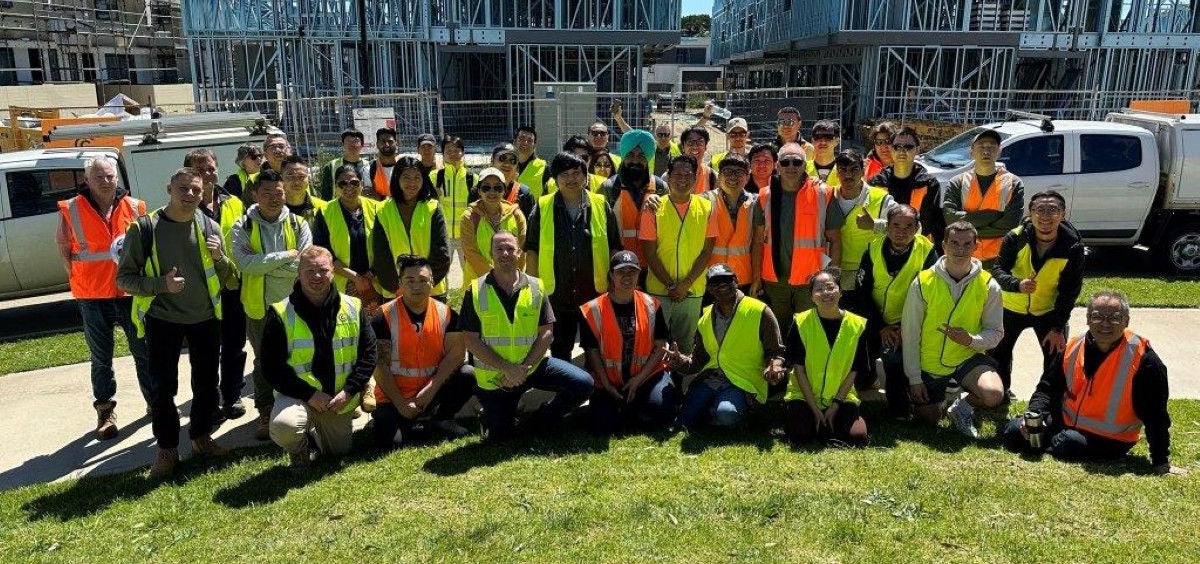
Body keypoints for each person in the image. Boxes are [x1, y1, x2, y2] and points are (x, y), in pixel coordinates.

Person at [117, 168, 234, 478]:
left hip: (205, 318)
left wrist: (221, 258)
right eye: (183, 188)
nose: (191, 194)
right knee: (163, 389)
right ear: (169, 188)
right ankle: (167, 450)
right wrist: (161, 286)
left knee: (207, 385)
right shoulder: (144, 228)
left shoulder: (209, 225)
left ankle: (200, 438)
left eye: (196, 189)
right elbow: (125, 279)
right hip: (163, 320)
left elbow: (229, 278)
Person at [1001, 291, 1187, 476]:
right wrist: (1034, 416)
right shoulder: (1072, 346)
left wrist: (1160, 461)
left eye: (1114, 318)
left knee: (1068, 444)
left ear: (1126, 321)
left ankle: (1043, 443)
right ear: (1088, 319)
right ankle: (1041, 440)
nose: (1105, 323)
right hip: (1065, 424)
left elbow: (1156, 414)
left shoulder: (1144, 359)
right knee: (1013, 432)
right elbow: (1046, 388)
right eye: (1097, 317)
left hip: (1111, 439)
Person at [460, 231, 594, 442]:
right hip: (496, 377)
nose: (505, 253)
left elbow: (547, 333)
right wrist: (507, 369)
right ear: (491, 254)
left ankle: (545, 417)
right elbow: (470, 340)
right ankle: (496, 416)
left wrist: (523, 369)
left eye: (510, 248)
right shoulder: (475, 291)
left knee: (583, 383)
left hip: (532, 366)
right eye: (499, 249)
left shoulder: (535, 286)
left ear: (519, 253)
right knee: (501, 438)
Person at [56, 156, 152, 440]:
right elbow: (65, 251)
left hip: (130, 293)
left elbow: (146, 248)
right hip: (92, 296)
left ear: (117, 178)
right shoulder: (70, 209)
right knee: (101, 359)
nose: (107, 181)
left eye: (110, 176)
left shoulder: (135, 207)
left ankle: (155, 404)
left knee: (144, 352)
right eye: (99, 177)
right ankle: (105, 412)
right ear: (86, 180)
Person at [262, 247, 377, 468]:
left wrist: (350, 390)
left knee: (338, 453)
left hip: (338, 400)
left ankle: (313, 433)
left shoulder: (353, 306)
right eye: (310, 271)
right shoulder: (280, 312)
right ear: (298, 273)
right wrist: (310, 394)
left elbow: (369, 354)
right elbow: (271, 368)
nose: (317, 276)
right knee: (286, 427)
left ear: (333, 272)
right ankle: (299, 448)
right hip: (299, 397)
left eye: (323, 270)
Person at [901, 221, 1005, 439]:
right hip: (930, 362)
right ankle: (946, 395)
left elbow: (995, 333)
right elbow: (910, 333)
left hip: (967, 358)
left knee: (993, 395)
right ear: (944, 245)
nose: (960, 249)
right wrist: (914, 378)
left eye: (967, 243)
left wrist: (971, 340)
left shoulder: (989, 285)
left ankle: (961, 406)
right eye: (954, 243)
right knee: (929, 419)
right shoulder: (922, 281)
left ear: (976, 245)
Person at [233, 169, 312, 441]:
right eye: (266, 192)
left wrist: (264, 263)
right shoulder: (242, 225)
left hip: (295, 306)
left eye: (278, 192)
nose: (273, 198)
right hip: (259, 307)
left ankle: (305, 404)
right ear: (255, 194)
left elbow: (303, 263)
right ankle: (265, 411)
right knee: (264, 361)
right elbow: (243, 264)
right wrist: (285, 257)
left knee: (301, 354)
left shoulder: (298, 224)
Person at [525, 152, 623, 360]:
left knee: (595, 347)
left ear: (585, 176)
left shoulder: (600, 204)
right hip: (557, 294)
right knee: (560, 348)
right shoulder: (543, 206)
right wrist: (533, 288)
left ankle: (597, 387)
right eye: (564, 174)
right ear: (556, 179)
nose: (571, 179)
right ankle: (567, 389)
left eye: (576, 173)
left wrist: (615, 282)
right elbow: (531, 248)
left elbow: (614, 244)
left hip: (594, 292)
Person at [369, 255, 473, 448]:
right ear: (400, 283)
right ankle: (409, 420)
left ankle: (442, 417)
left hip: (432, 391)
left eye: (423, 280)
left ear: (432, 282)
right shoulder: (382, 316)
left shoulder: (447, 314)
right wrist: (401, 404)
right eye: (410, 280)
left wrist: (428, 392)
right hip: (395, 397)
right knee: (391, 442)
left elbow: (456, 356)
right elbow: (379, 365)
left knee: (468, 374)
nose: (417, 286)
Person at [990, 190, 1085, 401]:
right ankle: (1001, 394)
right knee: (999, 354)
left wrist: (1058, 326)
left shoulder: (1072, 246)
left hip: (1048, 311)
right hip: (1010, 306)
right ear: (1030, 214)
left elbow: (1070, 290)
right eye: (1039, 210)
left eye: (1053, 210)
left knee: (1056, 358)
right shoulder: (1015, 237)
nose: (1045, 216)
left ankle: (1046, 399)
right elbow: (997, 272)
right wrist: (1017, 285)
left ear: (1062, 214)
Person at [667, 264, 787, 430]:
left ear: (736, 281)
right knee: (684, 420)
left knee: (726, 414)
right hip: (711, 379)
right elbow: (698, 360)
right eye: (715, 283)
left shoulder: (760, 311)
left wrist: (774, 366)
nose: (721, 286)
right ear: (709, 289)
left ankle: (743, 411)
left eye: (726, 280)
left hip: (743, 382)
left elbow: (776, 352)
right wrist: (679, 360)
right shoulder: (706, 317)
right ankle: (710, 410)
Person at [580, 250, 678, 434]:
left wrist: (638, 380)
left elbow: (659, 347)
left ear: (639, 275)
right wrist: (607, 385)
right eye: (621, 271)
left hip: (646, 376)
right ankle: (627, 408)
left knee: (663, 412)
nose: (627, 276)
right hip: (608, 380)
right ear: (611, 275)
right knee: (603, 425)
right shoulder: (592, 309)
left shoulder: (652, 305)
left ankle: (634, 405)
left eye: (632, 271)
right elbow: (591, 351)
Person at [853, 205, 937, 420]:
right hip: (874, 320)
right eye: (896, 225)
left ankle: (900, 410)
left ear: (917, 227)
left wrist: (904, 328)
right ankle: (867, 379)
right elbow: (862, 293)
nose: (902, 231)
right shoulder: (872, 249)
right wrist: (881, 326)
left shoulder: (927, 252)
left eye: (909, 226)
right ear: (886, 227)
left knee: (894, 360)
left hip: (907, 323)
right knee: (860, 372)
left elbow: (931, 297)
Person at [186, 148, 249, 420]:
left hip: (232, 285)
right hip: (201, 291)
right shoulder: (184, 206)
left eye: (211, 168)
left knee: (235, 346)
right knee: (204, 352)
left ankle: (233, 396)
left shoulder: (234, 202)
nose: (207, 174)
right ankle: (209, 402)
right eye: (200, 170)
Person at [784, 270, 871, 447]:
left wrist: (836, 404)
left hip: (840, 396)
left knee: (858, 436)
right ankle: (817, 422)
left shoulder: (857, 325)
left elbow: (855, 370)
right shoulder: (800, 322)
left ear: (840, 291)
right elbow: (798, 369)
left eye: (830, 287)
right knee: (802, 434)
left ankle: (831, 423)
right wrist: (815, 409)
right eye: (819, 289)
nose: (826, 293)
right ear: (812, 297)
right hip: (804, 395)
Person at [758, 142, 843, 324]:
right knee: (779, 327)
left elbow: (835, 240)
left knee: (808, 328)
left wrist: (832, 278)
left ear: (805, 165)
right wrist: (757, 277)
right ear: (777, 166)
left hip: (811, 281)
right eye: (785, 162)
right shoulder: (765, 195)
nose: (791, 167)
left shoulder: (823, 193)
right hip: (775, 280)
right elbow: (758, 241)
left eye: (797, 162)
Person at [640, 155, 716, 354]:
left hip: (692, 290)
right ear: (668, 177)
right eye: (677, 174)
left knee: (685, 346)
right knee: (655, 344)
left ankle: (680, 383)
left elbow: (707, 250)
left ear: (695, 176)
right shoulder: (653, 208)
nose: (682, 179)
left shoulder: (707, 207)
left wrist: (685, 284)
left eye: (688, 174)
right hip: (659, 288)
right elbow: (649, 252)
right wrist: (670, 285)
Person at [942, 128, 1025, 268]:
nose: (986, 150)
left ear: (999, 151)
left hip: (1000, 258)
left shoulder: (1013, 183)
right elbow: (950, 219)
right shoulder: (958, 182)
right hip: (964, 257)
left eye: (992, 146)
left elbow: (1010, 224)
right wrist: (993, 216)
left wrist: (967, 225)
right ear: (971, 151)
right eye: (981, 145)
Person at [373, 156, 452, 300]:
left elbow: (442, 251)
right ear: (397, 178)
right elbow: (380, 255)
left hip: (431, 289)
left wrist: (425, 283)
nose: (412, 182)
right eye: (406, 177)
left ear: (423, 179)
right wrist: (397, 287)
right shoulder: (382, 209)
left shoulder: (432, 207)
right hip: (396, 291)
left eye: (417, 177)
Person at [312, 164, 382, 311]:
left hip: (374, 283)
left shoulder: (378, 208)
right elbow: (323, 252)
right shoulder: (325, 211)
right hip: (341, 284)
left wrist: (371, 273)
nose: (348, 187)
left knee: (374, 329)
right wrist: (356, 278)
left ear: (362, 184)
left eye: (354, 182)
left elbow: (386, 245)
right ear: (336, 186)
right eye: (342, 183)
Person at [597, 129, 667, 266]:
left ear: (648, 158)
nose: (635, 160)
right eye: (630, 155)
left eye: (641, 155)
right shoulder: (609, 188)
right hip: (619, 269)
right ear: (623, 156)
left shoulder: (660, 188)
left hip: (653, 268)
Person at [867, 126, 946, 247]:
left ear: (917, 150)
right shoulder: (876, 182)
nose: (902, 151)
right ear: (891, 149)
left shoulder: (929, 183)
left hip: (917, 250)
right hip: (882, 248)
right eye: (897, 147)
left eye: (908, 147)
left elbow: (932, 225)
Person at [832, 149, 894, 295]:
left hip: (869, 273)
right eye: (843, 170)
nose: (848, 175)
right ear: (837, 173)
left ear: (863, 171)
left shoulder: (881, 198)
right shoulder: (828, 196)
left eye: (854, 169)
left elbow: (913, 228)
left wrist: (875, 225)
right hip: (835, 271)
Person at [706, 153, 764, 298]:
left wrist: (757, 278)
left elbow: (758, 243)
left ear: (747, 178)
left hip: (743, 279)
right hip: (712, 279)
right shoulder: (705, 200)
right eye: (727, 172)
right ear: (719, 177)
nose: (733, 177)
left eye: (738, 172)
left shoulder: (756, 202)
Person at [460, 168, 527, 282]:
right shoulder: (468, 217)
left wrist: (513, 278)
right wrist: (495, 278)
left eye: (497, 187)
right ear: (479, 191)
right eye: (486, 188)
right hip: (478, 282)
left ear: (504, 191)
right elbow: (470, 252)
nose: (492, 192)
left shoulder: (516, 215)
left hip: (511, 282)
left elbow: (521, 250)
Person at [432, 135, 475, 285]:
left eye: (456, 149)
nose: (452, 153)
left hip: (466, 236)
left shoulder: (472, 178)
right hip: (444, 236)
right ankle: (442, 304)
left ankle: (477, 305)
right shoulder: (435, 177)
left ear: (463, 152)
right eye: (448, 149)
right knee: (439, 275)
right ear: (442, 153)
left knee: (473, 274)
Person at [317, 129, 371, 201]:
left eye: (356, 141)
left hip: (363, 209)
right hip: (337, 209)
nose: (352, 144)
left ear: (362, 145)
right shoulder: (331, 166)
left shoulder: (369, 166)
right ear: (342, 144)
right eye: (348, 141)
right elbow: (326, 195)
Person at [489, 143, 536, 219]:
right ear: (492, 161)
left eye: (512, 161)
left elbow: (531, 228)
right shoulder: (479, 190)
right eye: (502, 158)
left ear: (516, 166)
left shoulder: (524, 194)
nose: (507, 164)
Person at [671, 126, 718, 194]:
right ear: (683, 147)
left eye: (699, 142)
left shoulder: (713, 177)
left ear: (706, 146)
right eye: (690, 142)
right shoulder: (670, 176)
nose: (695, 146)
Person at [280, 155, 326, 224]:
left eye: (301, 176)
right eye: (290, 176)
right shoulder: (272, 208)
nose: (296, 182)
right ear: (281, 178)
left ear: (308, 178)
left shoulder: (324, 207)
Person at [513, 125, 549, 198]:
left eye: (530, 141)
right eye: (522, 138)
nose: (525, 143)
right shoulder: (505, 165)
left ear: (534, 145)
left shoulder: (543, 167)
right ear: (514, 141)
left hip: (533, 209)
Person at [365, 127, 400, 200]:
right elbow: (369, 196)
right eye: (383, 141)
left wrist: (380, 197)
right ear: (377, 144)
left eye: (390, 141)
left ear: (396, 143)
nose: (387, 144)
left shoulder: (403, 166)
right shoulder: (369, 169)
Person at [806, 120, 841, 187]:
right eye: (818, 137)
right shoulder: (802, 169)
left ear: (837, 141)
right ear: (812, 141)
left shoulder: (846, 170)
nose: (823, 142)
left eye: (828, 137)